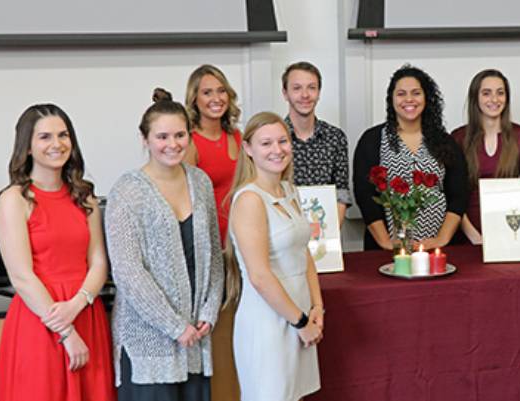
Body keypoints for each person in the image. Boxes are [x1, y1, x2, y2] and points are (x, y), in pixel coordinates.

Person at [106, 89, 224, 401]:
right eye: (162, 136)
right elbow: (128, 272)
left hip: (196, 339)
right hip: (148, 343)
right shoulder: (127, 191)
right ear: (145, 139)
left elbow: (213, 254)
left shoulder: (201, 182)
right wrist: (175, 326)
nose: (172, 144)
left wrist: (209, 312)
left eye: (180, 135)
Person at [0, 104, 115, 401]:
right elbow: (21, 276)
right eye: (45, 137)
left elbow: (98, 262)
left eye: (63, 135)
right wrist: (66, 332)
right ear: (29, 146)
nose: (56, 144)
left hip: (85, 312)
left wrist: (77, 304)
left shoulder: (83, 196)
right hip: (41, 320)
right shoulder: (14, 200)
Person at [226, 111, 323, 401]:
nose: (277, 150)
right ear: (248, 149)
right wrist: (301, 322)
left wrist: (317, 306)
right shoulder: (249, 200)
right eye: (266, 143)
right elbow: (259, 276)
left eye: (282, 141)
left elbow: (303, 252)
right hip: (268, 321)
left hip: (299, 312)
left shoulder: (288, 190)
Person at [353, 64, 468, 250]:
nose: (409, 99)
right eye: (401, 94)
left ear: (426, 98)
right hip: (389, 249)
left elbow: (459, 195)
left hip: (437, 248)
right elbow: (365, 195)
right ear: (391, 99)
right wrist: (385, 242)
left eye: (416, 93)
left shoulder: (445, 142)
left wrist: (442, 239)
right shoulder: (372, 140)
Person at [450, 68, 520, 244]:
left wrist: (512, 233)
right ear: (476, 98)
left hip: (511, 232)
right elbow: (453, 195)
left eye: (500, 93)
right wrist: (474, 237)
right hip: (467, 236)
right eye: (486, 93)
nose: (494, 100)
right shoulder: (458, 138)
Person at [281, 61, 351, 226]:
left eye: (311, 88)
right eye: (297, 88)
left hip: (324, 231)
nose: (305, 95)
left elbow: (341, 193)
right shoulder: (274, 139)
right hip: (284, 233)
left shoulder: (335, 137)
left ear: (319, 92)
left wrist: (330, 236)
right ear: (285, 93)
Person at [183, 64, 243, 241]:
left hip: (242, 234)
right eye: (207, 93)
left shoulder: (238, 136)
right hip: (210, 240)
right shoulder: (189, 143)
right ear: (194, 99)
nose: (216, 98)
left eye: (221, 91)